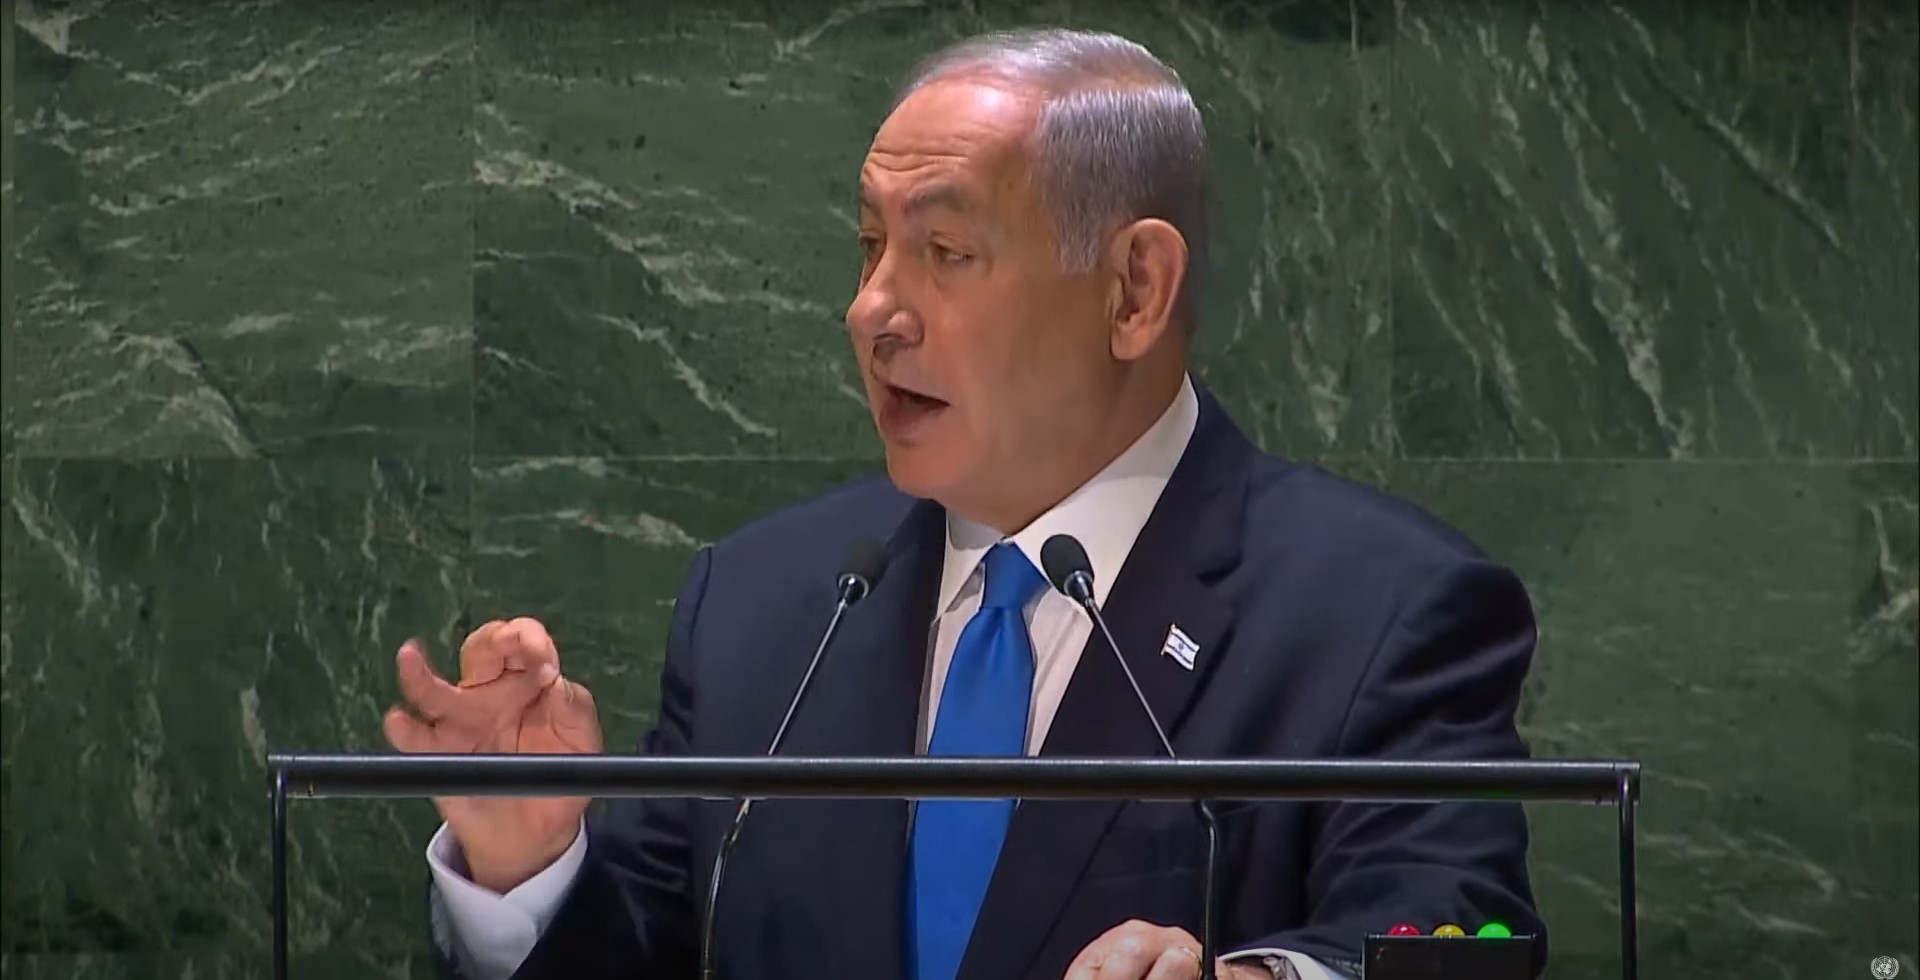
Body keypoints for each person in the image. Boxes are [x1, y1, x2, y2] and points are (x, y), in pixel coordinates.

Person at [383, 27, 1544, 980]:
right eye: (869, 244)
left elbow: (1463, 934)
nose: (871, 310)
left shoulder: (1383, 609)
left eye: (944, 250)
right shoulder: (763, 608)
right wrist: (530, 868)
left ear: (1134, 290)